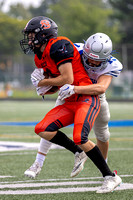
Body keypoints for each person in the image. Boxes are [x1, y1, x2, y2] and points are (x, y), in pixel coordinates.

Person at [20, 16, 122, 193]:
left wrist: (45, 83)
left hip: (89, 95)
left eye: (97, 62)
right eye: (89, 59)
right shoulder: (68, 50)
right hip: (69, 96)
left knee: (92, 134)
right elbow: (58, 82)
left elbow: (92, 86)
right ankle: (74, 153)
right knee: (42, 128)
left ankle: (109, 175)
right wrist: (44, 86)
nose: (92, 63)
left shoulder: (61, 46)